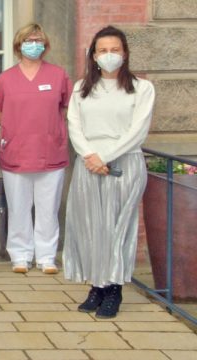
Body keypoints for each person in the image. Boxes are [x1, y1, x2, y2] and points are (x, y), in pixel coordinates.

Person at [63, 26, 155, 319]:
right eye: (102, 50)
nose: (109, 55)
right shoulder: (81, 88)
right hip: (89, 165)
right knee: (91, 227)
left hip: (123, 164)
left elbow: (137, 130)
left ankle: (114, 288)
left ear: (125, 53)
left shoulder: (141, 88)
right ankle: (97, 286)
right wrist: (90, 156)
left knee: (118, 229)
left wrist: (104, 156)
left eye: (114, 49)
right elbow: (74, 125)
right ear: (93, 54)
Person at [0, 23, 72, 274]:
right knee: (19, 206)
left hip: (50, 151)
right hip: (17, 151)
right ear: (18, 44)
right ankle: (20, 255)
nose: (33, 44)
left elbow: (67, 107)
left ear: (45, 44)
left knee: (48, 208)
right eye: (28, 39)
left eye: (38, 39)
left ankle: (46, 257)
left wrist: (52, 128)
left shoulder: (58, 75)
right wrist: (16, 127)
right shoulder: (6, 79)